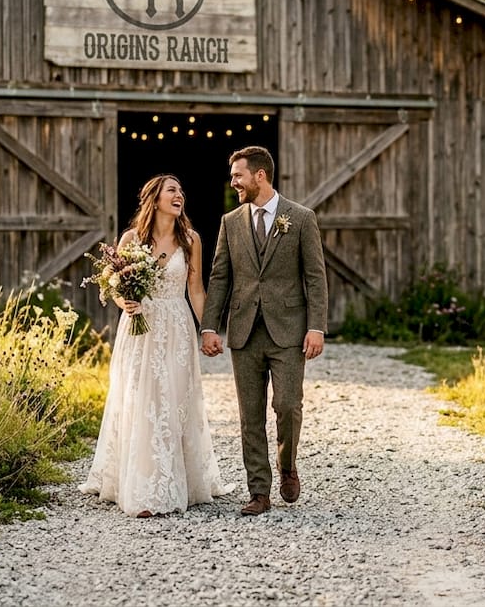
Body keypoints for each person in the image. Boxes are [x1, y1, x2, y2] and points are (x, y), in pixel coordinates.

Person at [80, 174, 233, 517]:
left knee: (175, 401)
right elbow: (116, 284)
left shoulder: (191, 239)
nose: (180, 195)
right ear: (155, 198)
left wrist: (208, 329)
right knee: (143, 400)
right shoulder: (132, 238)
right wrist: (124, 303)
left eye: (181, 190)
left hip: (177, 327)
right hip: (140, 330)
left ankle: (180, 480)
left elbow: (195, 289)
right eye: (172, 190)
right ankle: (144, 485)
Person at [200, 146, 328, 517]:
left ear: (260, 175)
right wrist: (210, 325)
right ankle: (259, 490)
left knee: (288, 406)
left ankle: (288, 466)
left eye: (238, 175)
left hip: (288, 331)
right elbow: (220, 276)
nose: (233, 182)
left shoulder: (301, 219)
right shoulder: (230, 222)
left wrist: (316, 327)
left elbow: (315, 277)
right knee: (249, 415)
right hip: (243, 332)